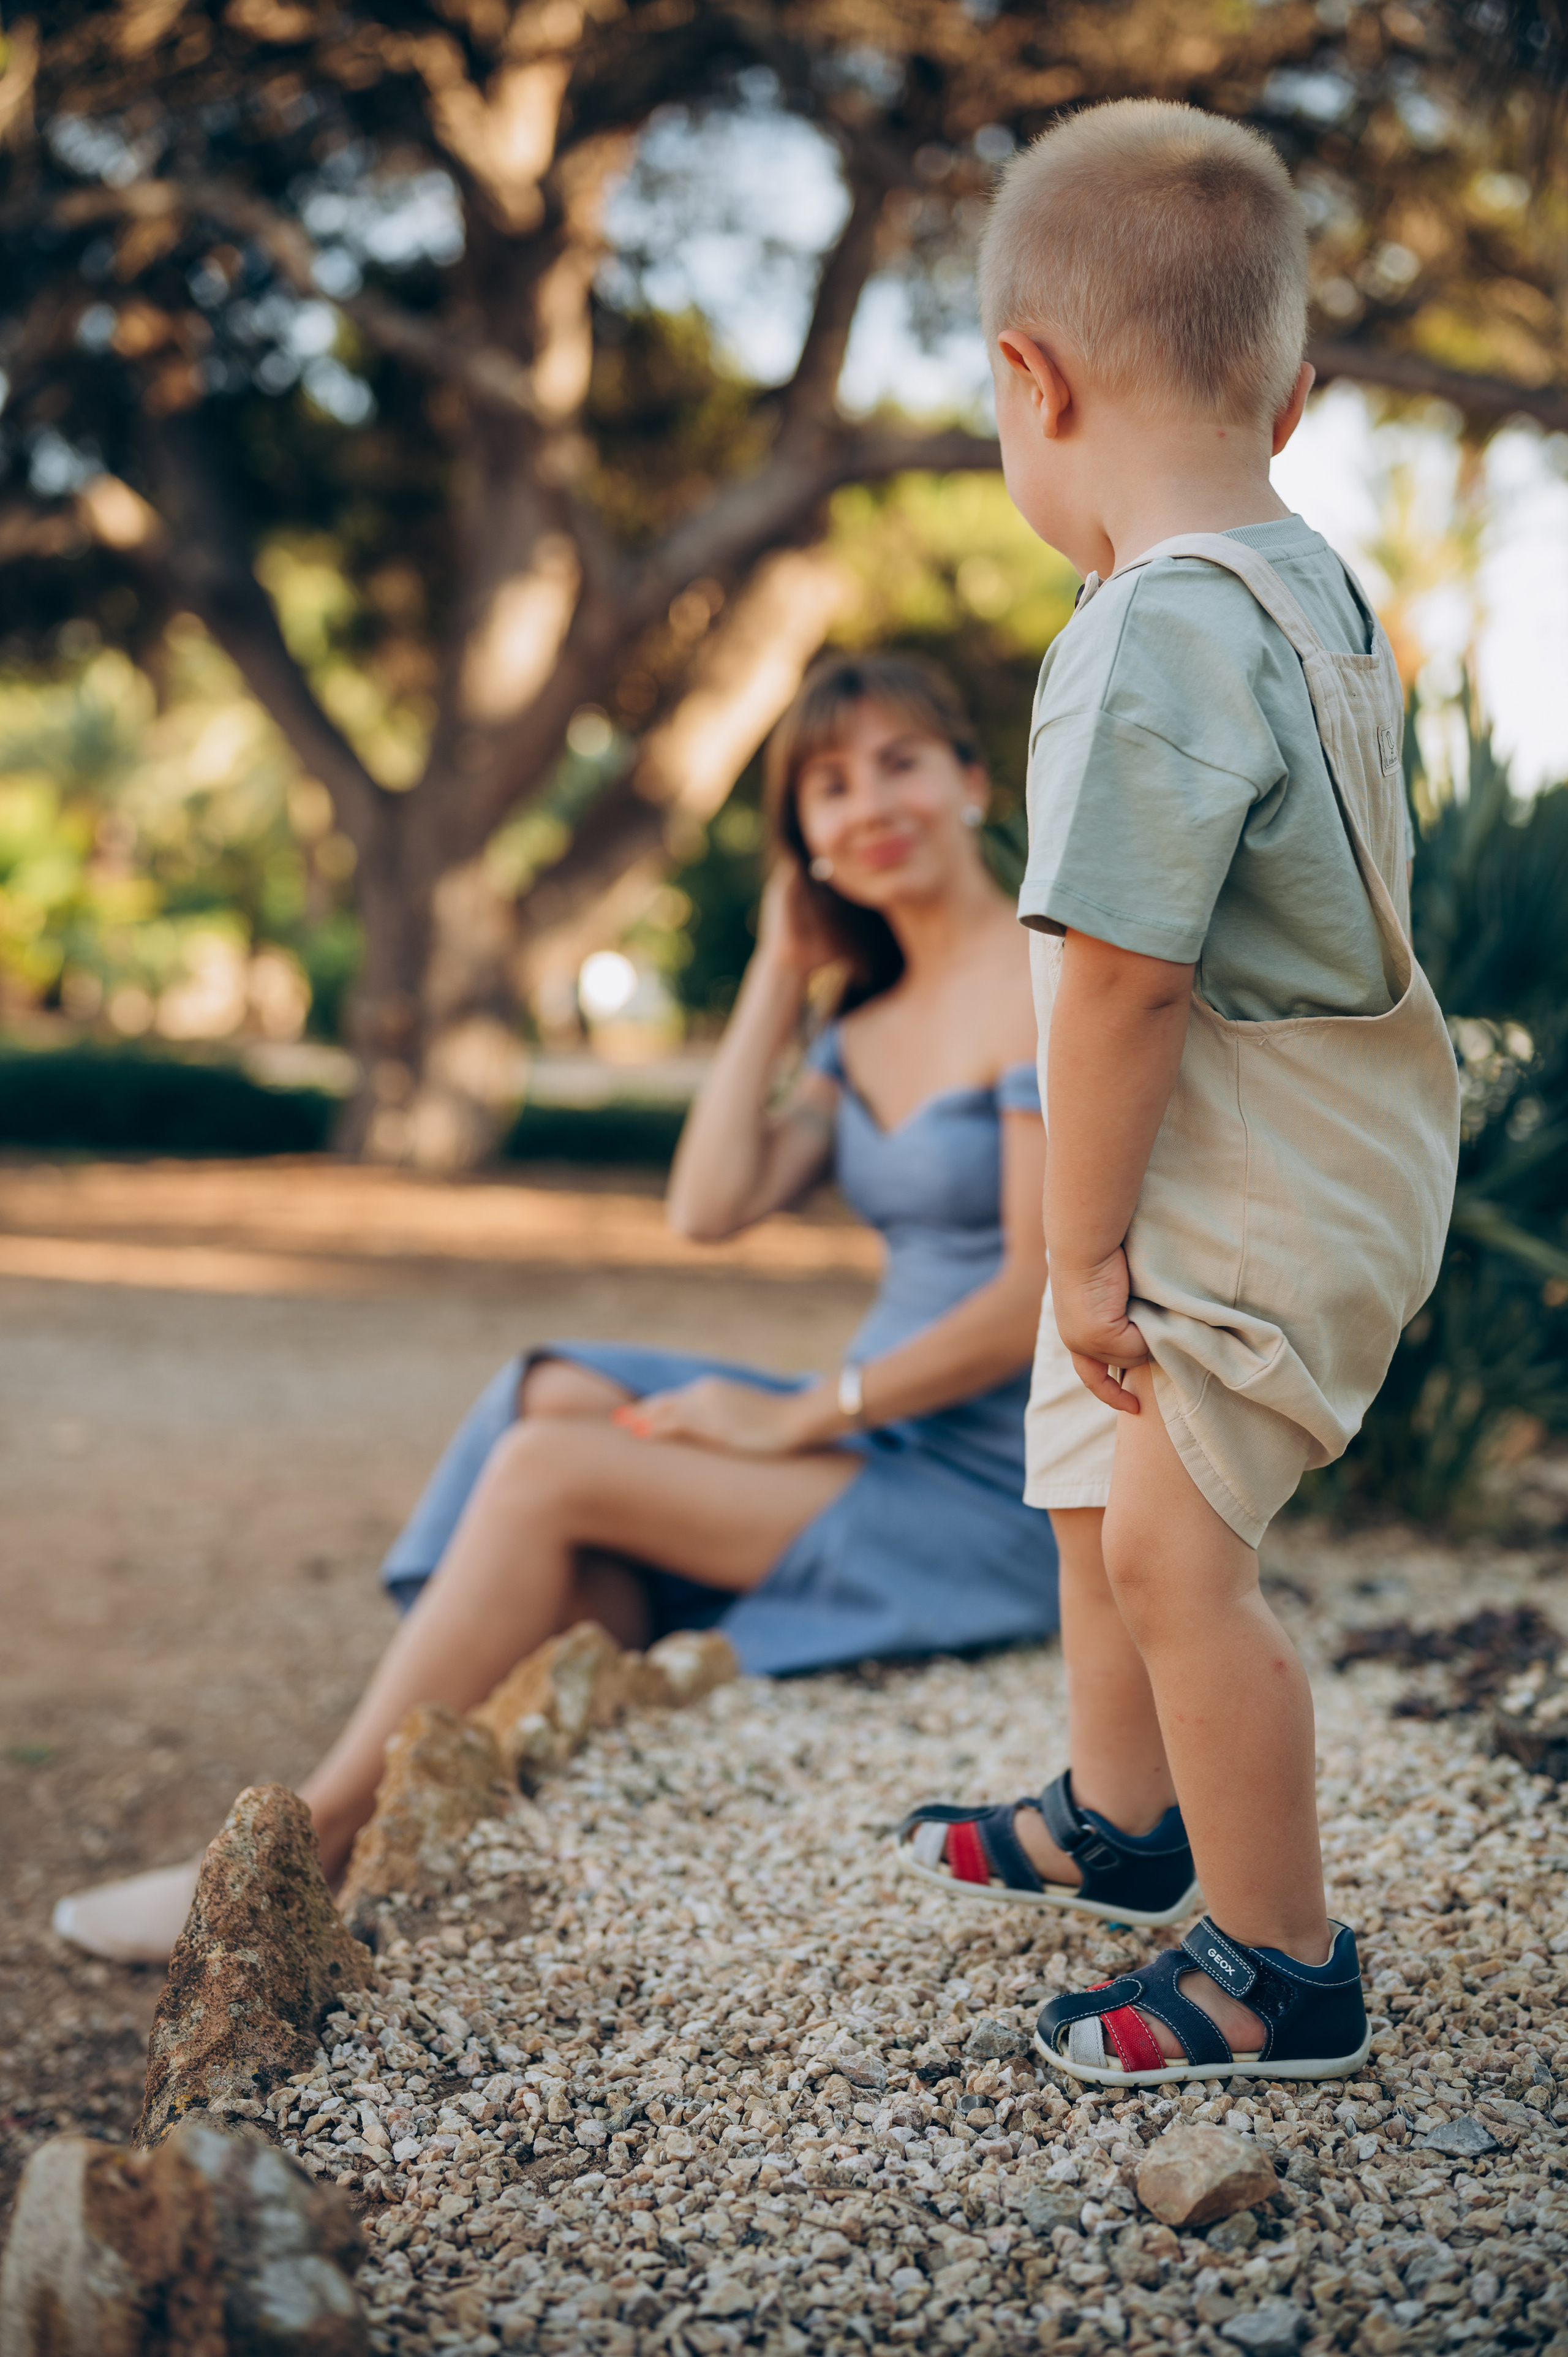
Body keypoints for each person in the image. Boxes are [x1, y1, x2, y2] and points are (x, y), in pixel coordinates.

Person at [55, 651, 1059, 1965]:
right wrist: (777, 974)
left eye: (899, 762)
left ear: (973, 779)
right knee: (555, 1390)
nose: (867, 802)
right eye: (825, 784)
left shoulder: (1042, 975)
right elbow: (707, 1205)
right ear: (799, 837)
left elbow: (1033, 1297)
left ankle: (290, 1853)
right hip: (878, 1434)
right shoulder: (858, 1021)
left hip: (995, 1486)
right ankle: (547, 1647)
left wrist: (791, 1417)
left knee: (542, 1468)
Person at [895, 100, 1459, 2085]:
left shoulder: (1148, 634)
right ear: (1292, 393)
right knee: (1088, 1469)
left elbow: (1128, 987)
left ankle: (1279, 1959)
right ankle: (1124, 1816)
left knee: (1170, 1546)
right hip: (1316, 1127)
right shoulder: (1309, 586)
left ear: (1025, 380)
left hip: (1254, 1171)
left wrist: (1085, 1243)